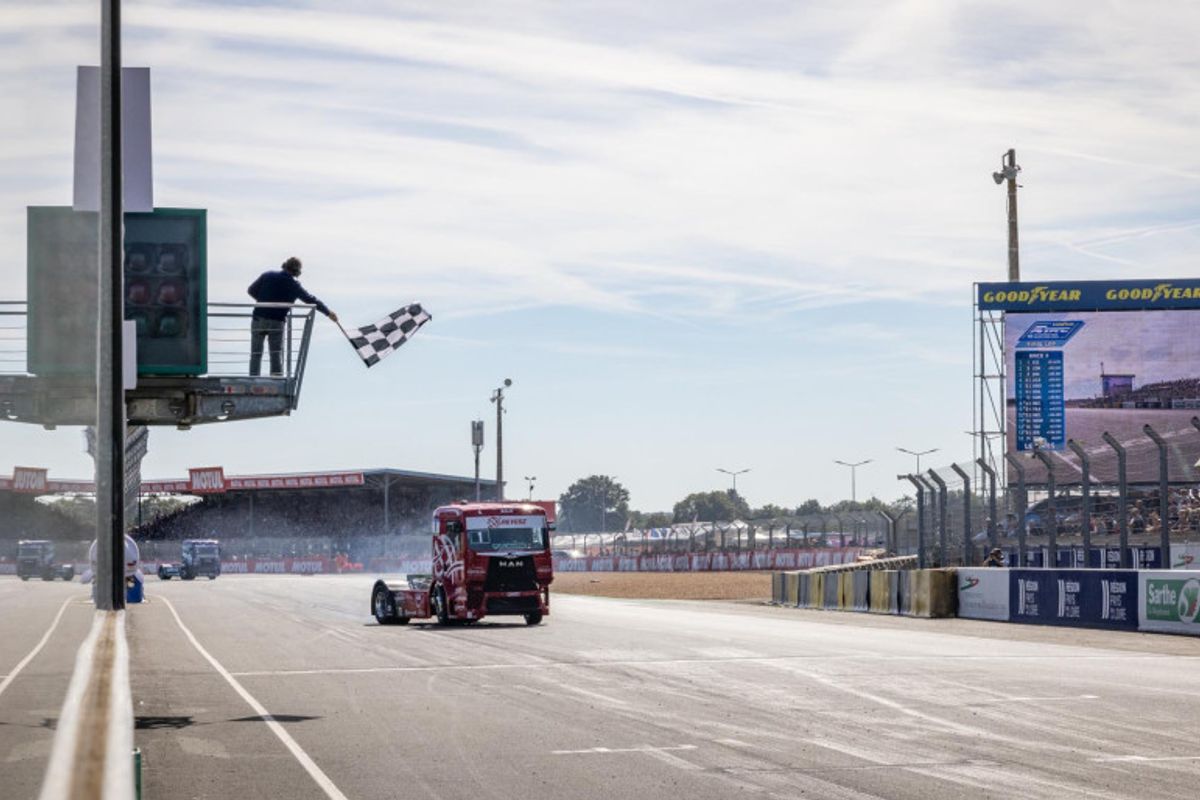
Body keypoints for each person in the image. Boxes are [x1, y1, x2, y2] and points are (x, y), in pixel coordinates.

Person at [247, 257, 339, 376]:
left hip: (258, 318)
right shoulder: (293, 285)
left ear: (284, 265)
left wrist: (264, 301)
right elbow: (310, 299)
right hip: (276, 322)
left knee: (256, 353)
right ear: (297, 272)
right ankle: (276, 380)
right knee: (275, 353)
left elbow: (251, 290)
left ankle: (253, 379)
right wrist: (328, 312)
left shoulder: (267, 275)